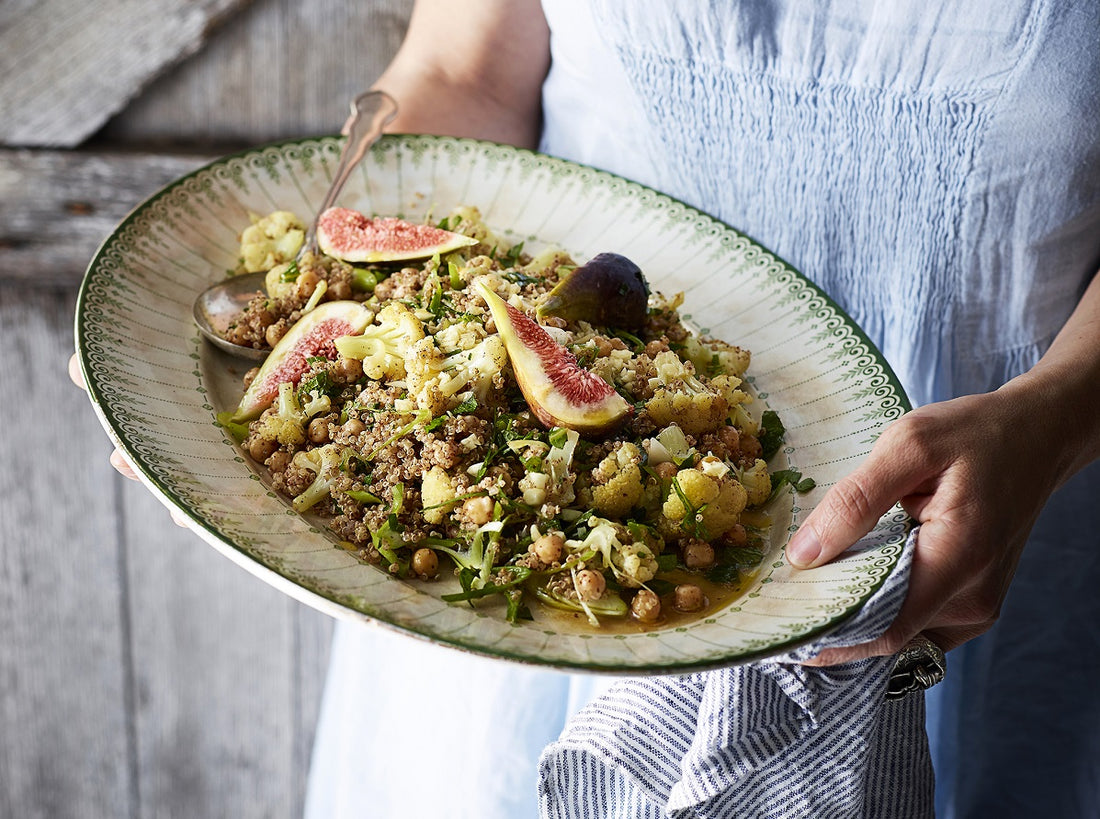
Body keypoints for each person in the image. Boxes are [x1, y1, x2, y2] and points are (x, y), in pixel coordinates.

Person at [80, 1, 1100, 816]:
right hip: (495, 559)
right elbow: (468, 67)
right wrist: (317, 299)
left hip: (991, 511)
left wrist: (1054, 416)